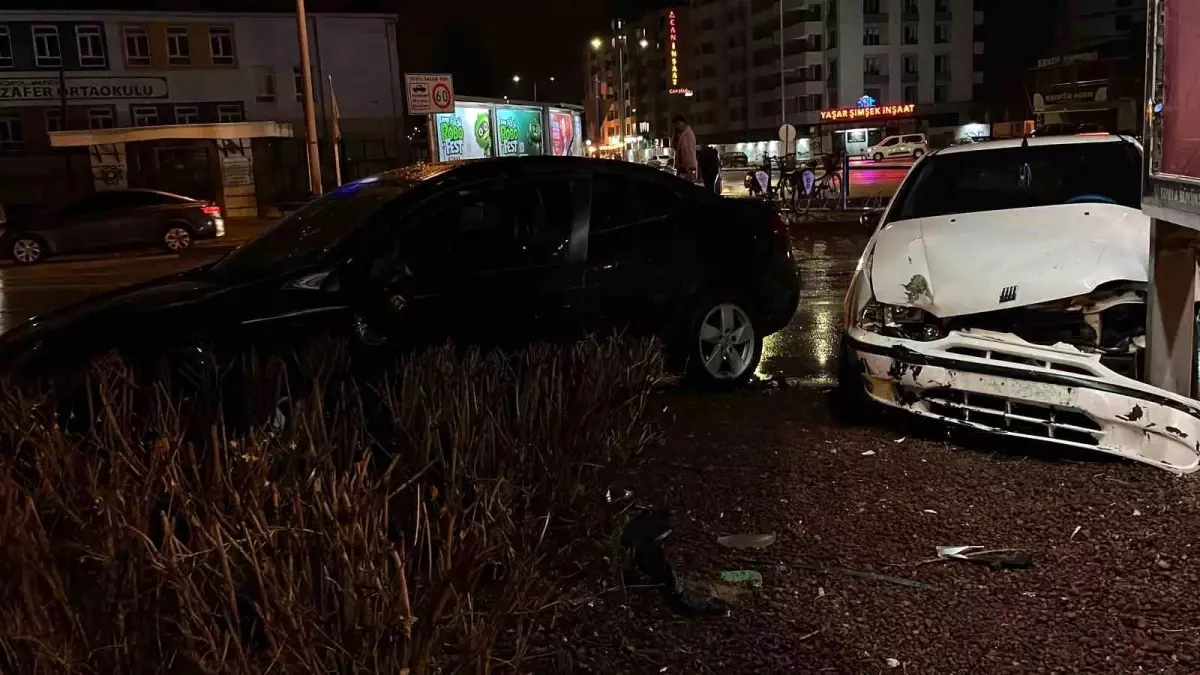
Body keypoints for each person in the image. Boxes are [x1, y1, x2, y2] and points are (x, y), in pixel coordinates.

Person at [673, 114, 698, 182]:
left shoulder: (686, 135)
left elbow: (687, 152)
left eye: (676, 125)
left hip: (686, 168)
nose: (676, 128)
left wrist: (683, 167)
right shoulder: (684, 133)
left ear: (679, 123)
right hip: (687, 167)